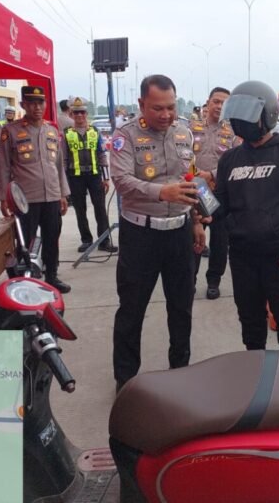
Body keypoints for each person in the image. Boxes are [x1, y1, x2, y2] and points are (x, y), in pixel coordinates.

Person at [110, 74, 206, 390]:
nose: (166, 115)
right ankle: (126, 381)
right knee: (132, 310)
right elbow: (121, 180)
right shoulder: (125, 136)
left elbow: (189, 180)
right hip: (141, 235)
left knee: (181, 307)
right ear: (141, 104)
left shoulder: (183, 133)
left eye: (171, 107)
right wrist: (161, 192)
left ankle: (180, 371)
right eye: (157, 108)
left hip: (179, 233)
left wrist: (196, 221)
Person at [214, 80, 279, 352]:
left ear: (268, 114)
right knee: (250, 324)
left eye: (247, 115)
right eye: (236, 115)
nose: (240, 122)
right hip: (242, 257)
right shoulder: (229, 159)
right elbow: (221, 207)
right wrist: (201, 205)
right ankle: (256, 371)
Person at [0, 86, 71, 293]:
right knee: (25, 241)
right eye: (32, 103)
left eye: (40, 103)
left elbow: (58, 166)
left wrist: (63, 194)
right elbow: (3, 165)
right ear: (23, 105)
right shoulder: (11, 131)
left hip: (52, 195)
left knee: (52, 238)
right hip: (25, 199)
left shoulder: (51, 130)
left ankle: (52, 276)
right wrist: (3, 197)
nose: (37, 107)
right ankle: (26, 280)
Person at [191, 86, 237, 299]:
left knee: (220, 243)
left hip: (221, 193)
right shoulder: (191, 127)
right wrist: (198, 176)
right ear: (208, 102)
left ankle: (213, 281)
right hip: (196, 191)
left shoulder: (234, 131)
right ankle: (189, 280)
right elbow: (183, 155)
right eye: (216, 101)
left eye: (224, 103)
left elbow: (236, 160)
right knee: (194, 239)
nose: (219, 106)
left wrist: (211, 174)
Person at [63, 97, 118, 254]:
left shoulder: (94, 132)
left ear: (86, 114)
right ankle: (86, 240)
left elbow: (102, 155)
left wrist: (106, 178)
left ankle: (104, 241)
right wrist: (64, 184)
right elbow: (64, 160)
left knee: (100, 209)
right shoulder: (67, 133)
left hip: (94, 176)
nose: (79, 115)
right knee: (80, 210)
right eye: (76, 113)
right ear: (72, 115)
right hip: (75, 177)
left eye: (82, 112)